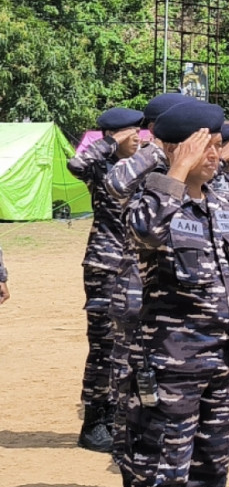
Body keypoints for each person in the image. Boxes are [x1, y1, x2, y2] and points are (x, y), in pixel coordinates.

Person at [125, 100, 229, 487]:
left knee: (209, 473)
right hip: (172, 371)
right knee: (162, 480)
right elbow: (147, 233)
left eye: (216, 146)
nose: (216, 154)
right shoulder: (150, 200)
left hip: (216, 366)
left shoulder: (219, 203)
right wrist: (176, 171)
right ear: (179, 150)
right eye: (205, 147)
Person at [105, 92, 195, 487]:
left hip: (178, 298)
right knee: (137, 395)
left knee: (170, 399)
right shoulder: (143, 162)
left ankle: (167, 482)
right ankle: (131, 485)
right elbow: (115, 183)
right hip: (137, 297)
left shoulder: (193, 168)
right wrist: (160, 148)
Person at [66, 106, 144, 453]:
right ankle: (93, 421)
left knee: (127, 347)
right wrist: (109, 144)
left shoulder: (140, 167)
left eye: (140, 133)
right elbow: (76, 164)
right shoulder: (100, 166)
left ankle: (114, 414)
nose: (138, 140)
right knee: (104, 346)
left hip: (134, 266)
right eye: (132, 135)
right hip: (105, 265)